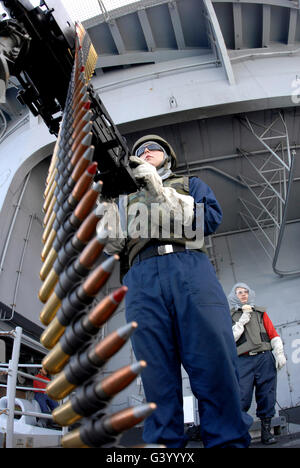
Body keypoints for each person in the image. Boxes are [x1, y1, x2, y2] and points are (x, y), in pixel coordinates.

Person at [98, 134, 252, 448]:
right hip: (142, 276)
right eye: (139, 151)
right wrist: (106, 206)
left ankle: (227, 441)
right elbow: (111, 245)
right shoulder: (125, 200)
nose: (144, 153)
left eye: (152, 149)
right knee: (155, 372)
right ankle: (165, 447)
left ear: (168, 156)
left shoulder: (190, 184)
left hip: (189, 269)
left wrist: (159, 191)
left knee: (214, 363)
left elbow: (208, 219)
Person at [228, 282, 286, 445]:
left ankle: (266, 432)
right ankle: (240, 434)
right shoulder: (230, 316)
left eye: (245, 292)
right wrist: (241, 322)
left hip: (264, 358)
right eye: (239, 292)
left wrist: (279, 353)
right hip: (243, 361)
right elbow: (229, 339)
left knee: (267, 394)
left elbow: (272, 334)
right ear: (234, 296)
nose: (243, 295)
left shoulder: (260, 314)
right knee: (241, 397)